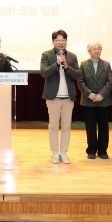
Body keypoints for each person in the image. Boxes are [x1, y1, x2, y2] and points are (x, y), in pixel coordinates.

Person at [40, 30, 81, 164]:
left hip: (68, 97)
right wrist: (56, 64)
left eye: (63, 40)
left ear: (66, 41)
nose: (61, 42)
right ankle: (55, 153)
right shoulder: (46, 55)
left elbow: (77, 75)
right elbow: (44, 73)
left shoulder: (72, 56)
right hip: (53, 97)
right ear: (53, 42)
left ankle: (63, 152)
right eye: (58, 40)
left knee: (66, 126)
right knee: (53, 126)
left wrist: (67, 67)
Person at [78, 42, 112, 159]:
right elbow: (80, 81)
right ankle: (91, 150)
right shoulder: (83, 64)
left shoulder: (106, 64)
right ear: (89, 51)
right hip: (89, 101)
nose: (97, 51)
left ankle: (102, 151)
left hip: (104, 100)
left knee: (104, 127)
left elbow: (110, 82)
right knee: (90, 127)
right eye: (94, 49)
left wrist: (101, 95)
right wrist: (90, 94)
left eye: (99, 49)